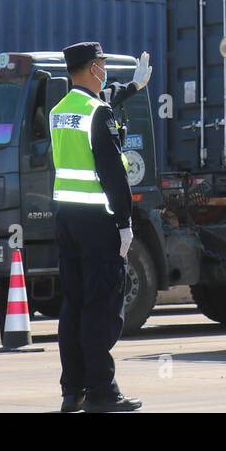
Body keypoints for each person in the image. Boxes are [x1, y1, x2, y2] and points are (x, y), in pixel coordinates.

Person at [50, 41, 152, 413]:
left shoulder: (62, 110)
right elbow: (112, 173)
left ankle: (72, 391)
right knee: (102, 306)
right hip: (98, 221)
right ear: (93, 68)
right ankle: (103, 393)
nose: (106, 70)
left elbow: (104, 98)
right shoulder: (98, 113)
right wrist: (125, 223)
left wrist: (134, 87)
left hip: (67, 218)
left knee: (74, 305)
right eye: (103, 64)